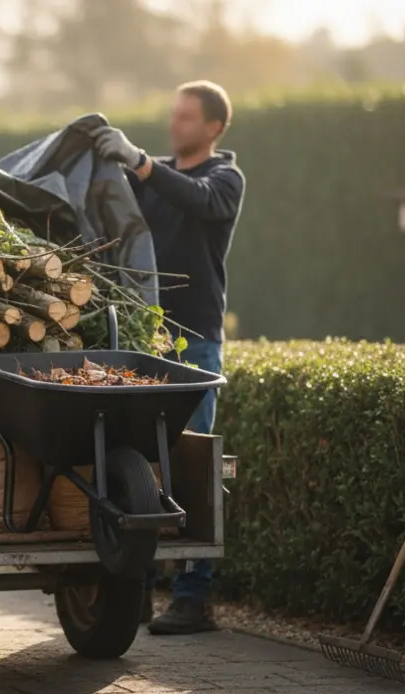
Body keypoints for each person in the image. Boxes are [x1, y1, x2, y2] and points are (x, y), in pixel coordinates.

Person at [90, 80, 245, 635]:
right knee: (136, 463)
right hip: (143, 335)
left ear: (214, 127)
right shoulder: (148, 174)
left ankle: (193, 595)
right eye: (172, 115)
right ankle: (131, 590)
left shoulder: (224, 179)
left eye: (187, 117)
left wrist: (141, 163)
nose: (175, 124)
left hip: (195, 341)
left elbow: (198, 199)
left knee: (191, 462)